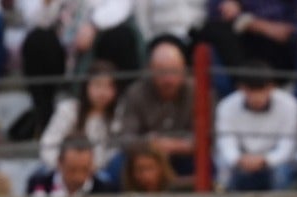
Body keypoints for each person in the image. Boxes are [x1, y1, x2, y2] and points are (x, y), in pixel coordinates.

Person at [18, 0, 142, 137]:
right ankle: (45, 121)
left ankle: (121, 119)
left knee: (120, 38)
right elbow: (36, 21)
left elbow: (121, 7)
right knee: (37, 40)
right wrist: (47, 4)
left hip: (102, 39)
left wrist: (94, 25)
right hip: (63, 49)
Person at [214, 60, 297, 192]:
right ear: (241, 88)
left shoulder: (290, 105)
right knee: (223, 166)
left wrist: (266, 160)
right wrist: (239, 159)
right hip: (241, 159)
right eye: (251, 90)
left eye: (262, 90)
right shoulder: (226, 106)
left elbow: (287, 145)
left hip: (275, 162)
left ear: (271, 87)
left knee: (283, 170)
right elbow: (226, 142)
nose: (257, 96)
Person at [116, 36, 195, 179]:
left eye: (174, 71)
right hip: (145, 155)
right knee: (115, 168)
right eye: (162, 72)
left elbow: (206, 141)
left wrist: (172, 145)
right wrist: (150, 144)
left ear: (184, 69)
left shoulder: (197, 92)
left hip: (184, 156)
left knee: (206, 166)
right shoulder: (136, 92)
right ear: (150, 70)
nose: (168, 79)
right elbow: (126, 139)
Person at [38, 64, 121, 171]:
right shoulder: (69, 110)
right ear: (86, 86)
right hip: (62, 169)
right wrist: (63, 166)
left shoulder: (118, 117)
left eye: (109, 86)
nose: (103, 92)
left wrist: (90, 168)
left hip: (97, 171)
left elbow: (114, 153)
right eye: (97, 85)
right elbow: (48, 144)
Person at [28, 134, 114, 196]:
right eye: (72, 170)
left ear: (92, 164)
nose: (78, 177)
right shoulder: (38, 184)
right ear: (59, 163)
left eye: (85, 170)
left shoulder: (105, 191)